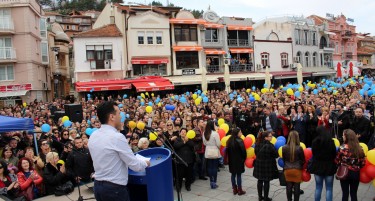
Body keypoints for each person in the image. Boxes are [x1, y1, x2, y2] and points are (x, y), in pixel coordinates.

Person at [88, 101, 150, 201]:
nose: (121, 117)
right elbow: (135, 165)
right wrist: (146, 163)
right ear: (112, 117)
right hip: (114, 190)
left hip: (98, 186)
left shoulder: (93, 135)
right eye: (118, 113)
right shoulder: (117, 137)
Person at [336, 129, 366, 201]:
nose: (342, 136)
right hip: (355, 173)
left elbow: (337, 161)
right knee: (354, 194)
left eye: (343, 135)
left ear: (347, 137)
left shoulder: (342, 148)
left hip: (344, 173)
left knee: (345, 194)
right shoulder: (360, 148)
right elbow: (363, 163)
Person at [310, 126, 337, 201]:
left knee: (318, 187)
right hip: (329, 167)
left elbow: (313, 154)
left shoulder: (315, 142)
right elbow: (334, 154)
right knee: (329, 188)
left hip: (318, 167)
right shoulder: (331, 142)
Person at [253, 131, 278, 201]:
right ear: (266, 138)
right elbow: (276, 155)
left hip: (259, 165)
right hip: (267, 166)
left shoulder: (257, 144)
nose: (272, 137)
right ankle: (266, 198)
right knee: (266, 181)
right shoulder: (270, 146)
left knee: (260, 180)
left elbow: (255, 153)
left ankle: (260, 197)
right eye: (270, 136)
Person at [282, 130, 305, 201]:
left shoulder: (284, 147)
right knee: (297, 187)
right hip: (297, 169)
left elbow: (284, 159)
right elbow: (303, 160)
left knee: (288, 187)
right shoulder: (299, 148)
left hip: (287, 169)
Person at [226, 128, 246, 195]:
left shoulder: (229, 141)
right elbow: (243, 152)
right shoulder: (240, 141)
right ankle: (240, 190)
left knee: (233, 174)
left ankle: (234, 189)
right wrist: (244, 159)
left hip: (232, 161)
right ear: (237, 133)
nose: (241, 133)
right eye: (240, 132)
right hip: (239, 160)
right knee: (239, 175)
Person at [202, 120, 221, 189]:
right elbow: (218, 144)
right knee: (215, 167)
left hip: (208, 150)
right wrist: (218, 148)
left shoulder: (204, 133)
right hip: (215, 150)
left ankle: (211, 181)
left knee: (210, 167)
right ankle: (214, 182)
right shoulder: (215, 133)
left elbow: (204, 143)